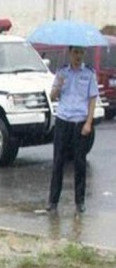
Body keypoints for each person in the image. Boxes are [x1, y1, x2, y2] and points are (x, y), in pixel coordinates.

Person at [45, 46, 98, 214]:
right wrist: (58, 86)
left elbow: (92, 100)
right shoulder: (62, 72)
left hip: (79, 122)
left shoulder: (89, 74)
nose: (78, 56)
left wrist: (88, 123)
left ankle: (79, 202)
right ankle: (53, 201)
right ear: (70, 53)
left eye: (81, 52)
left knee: (80, 163)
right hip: (63, 121)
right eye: (75, 52)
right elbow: (52, 96)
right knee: (58, 162)